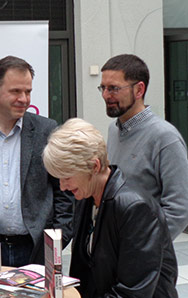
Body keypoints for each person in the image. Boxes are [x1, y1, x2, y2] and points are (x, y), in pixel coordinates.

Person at [0, 56, 73, 267]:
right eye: (16, 91)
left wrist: (57, 238)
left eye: (28, 92)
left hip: (34, 246)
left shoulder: (46, 130)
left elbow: (64, 190)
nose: (24, 99)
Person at [42, 118, 178, 297]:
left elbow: (134, 291)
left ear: (94, 166)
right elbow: (84, 269)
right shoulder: (86, 196)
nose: (62, 187)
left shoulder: (135, 208)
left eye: (67, 177)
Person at [100, 54, 188, 239]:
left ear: (139, 90)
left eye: (114, 88)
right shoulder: (113, 130)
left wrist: (146, 247)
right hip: (118, 249)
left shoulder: (165, 137)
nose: (106, 95)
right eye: (104, 88)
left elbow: (179, 209)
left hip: (148, 257)